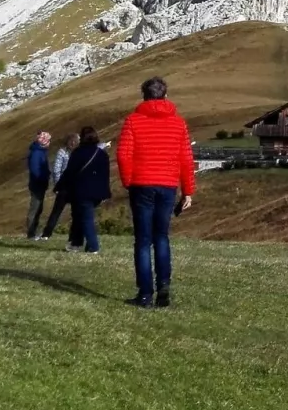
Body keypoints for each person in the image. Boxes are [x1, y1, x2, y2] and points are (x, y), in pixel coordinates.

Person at [117, 77, 196, 308]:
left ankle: (145, 294)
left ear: (144, 96)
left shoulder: (133, 121)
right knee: (161, 236)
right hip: (168, 185)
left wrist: (128, 181)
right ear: (165, 95)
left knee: (142, 240)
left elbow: (123, 155)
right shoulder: (178, 123)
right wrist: (188, 191)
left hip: (141, 184)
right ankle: (164, 285)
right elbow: (186, 159)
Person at [58, 126, 112, 254]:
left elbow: (69, 173)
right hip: (97, 192)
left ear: (82, 138)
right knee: (79, 217)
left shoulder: (78, 153)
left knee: (85, 218)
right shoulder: (102, 154)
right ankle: (76, 244)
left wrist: (59, 187)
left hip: (81, 191)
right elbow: (105, 175)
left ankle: (93, 246)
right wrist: (105, 193)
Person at [39, 133, 80, 241]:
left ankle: (46, 234)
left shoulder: (62, 152)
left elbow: (56, 170)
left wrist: (58, 186)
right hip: (75, 186)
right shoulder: (79, 153)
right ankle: (73, 237)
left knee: (56, 212)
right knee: (76, 213)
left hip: (64, 186)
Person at [24, 131, 52, 239]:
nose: (49, 143)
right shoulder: (37, 153)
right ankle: (31, 233)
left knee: (38, 208)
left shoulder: (39, 151)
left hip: (39, 184)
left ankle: (34, 231)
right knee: (34, 209)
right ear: (43, 142)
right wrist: (44, 177)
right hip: (37, 185)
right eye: (48, 140)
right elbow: (35, 170)